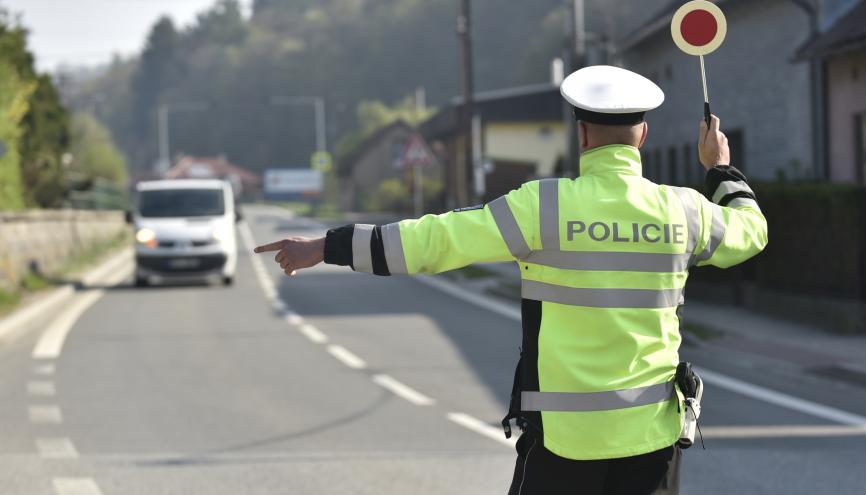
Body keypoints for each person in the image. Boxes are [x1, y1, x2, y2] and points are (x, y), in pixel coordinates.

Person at [255, 65, 768, 495]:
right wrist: (720, 170)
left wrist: (327, 246)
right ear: (643, 135)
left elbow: (433, 241)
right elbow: (751, 232)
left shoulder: (541, 206)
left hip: (563, 444)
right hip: (651, 443)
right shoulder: (683, 211)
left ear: (581, 134)